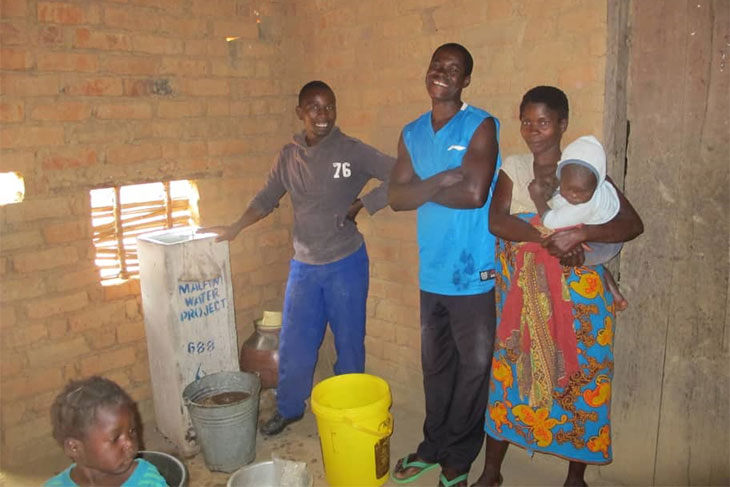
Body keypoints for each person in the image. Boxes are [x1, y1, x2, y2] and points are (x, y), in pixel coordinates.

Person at [201, 80, 395, 436]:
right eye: (314, 108)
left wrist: (363, 204)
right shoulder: (288, 157)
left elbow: (400, 174)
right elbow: (266, 198)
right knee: (294, 343)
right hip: (304, 267)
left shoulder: (352, 151)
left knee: (349, 343)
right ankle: (289, 408)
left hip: (346, 264)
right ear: (300, 112)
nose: (323, 115)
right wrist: (235, 227)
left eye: (329, 107)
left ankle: (349, 409)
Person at [472, 86, 643, 487]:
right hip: (523, 297)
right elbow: (497, 221)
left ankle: (575, 478)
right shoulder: (514, 168)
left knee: (583, 378)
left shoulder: (583, 171)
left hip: (581, 303)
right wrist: (552, 235)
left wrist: (581, 232)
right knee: (511, 374)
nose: (533, 130)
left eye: (543, 122)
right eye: (526, 122)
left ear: (562, 125)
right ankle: (491, 472)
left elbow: (631, 224)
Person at [388, 43, 501, 487]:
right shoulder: (412, 132)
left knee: (473, 370)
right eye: (438, 65)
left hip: (472, 274)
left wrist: (418, 188)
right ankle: (432, 446)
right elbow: (396, 199)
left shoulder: (481, 125)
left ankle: (458, 458)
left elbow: (474, 194)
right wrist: (438, 179)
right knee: (435, 369)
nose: (443, 73)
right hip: (433, 272)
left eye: (454, 69)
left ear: (465, 80)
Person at [529, 134, 627, 310]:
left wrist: (538, 199)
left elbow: (551, 221)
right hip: (602, 230)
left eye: (581, 192)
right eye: (568, 189)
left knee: (562, 254)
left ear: (596, 185)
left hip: (604, 245)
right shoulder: (592, 183)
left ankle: (612, 294)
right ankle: (617, 296)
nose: (574, 196)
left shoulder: (586, 204)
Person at [45, 376, 167, 487]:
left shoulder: (147, 480)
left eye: (131, 431)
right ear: (74, 447)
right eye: (115, 438)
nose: (129, 443)